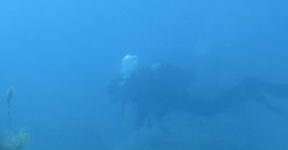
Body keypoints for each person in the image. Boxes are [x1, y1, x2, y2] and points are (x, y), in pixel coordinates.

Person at [108, 54, 288, 126]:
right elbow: (147, 108)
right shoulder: (136, 85)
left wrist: (138, 128)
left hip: (179, 98)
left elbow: (145, 108)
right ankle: (248, 90)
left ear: (119, 89)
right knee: (210, 106)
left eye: (116, 95)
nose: (118, 98)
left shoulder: (135, 88)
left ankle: (247, 86)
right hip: (178, 97)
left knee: (209, 109)